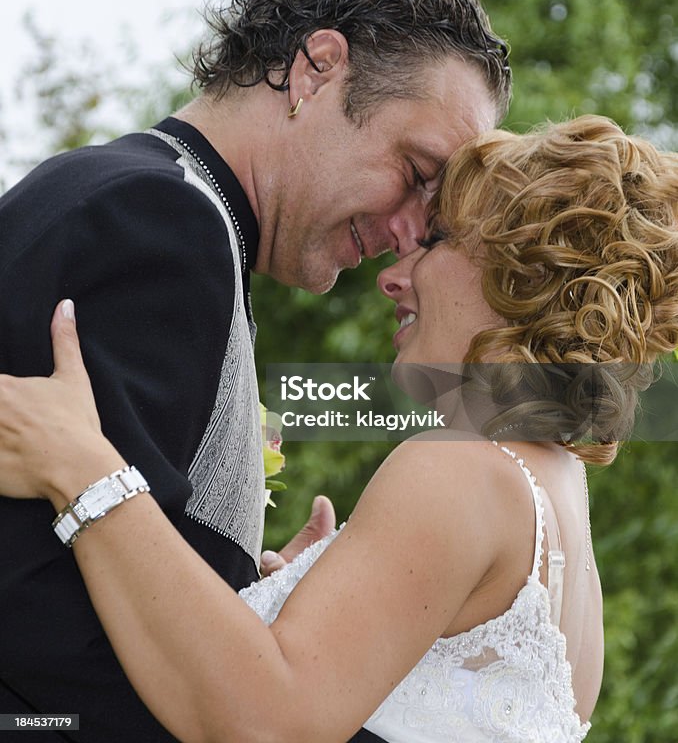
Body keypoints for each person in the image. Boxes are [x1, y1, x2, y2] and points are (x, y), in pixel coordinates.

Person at [1, 115, 677, 743]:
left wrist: (83, 470)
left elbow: (267, 722)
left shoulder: (461, 469)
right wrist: (276, 610)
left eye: (435, 241)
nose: (396, 275)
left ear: (524, 274)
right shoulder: (562, 500)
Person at [0, 0, 511, 742]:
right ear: (316, 71)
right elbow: (48, 644)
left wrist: (252, 602)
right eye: (416, 171)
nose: (412, 232)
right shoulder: (162, 223)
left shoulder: (161, 209)